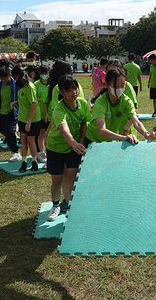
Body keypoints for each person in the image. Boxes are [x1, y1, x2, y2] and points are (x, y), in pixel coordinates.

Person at [45, 75, 91, 221]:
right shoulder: (59, 109)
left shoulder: (83, 104)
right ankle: (55, 205)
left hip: (74, 148)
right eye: (69, 90)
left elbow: (84, 123)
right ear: (61, 92)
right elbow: (64, 129)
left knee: (72, 175)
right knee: (57, 180)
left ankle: (71, 206)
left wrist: (81, 142)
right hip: (56, 147)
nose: (74, 92)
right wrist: (74, 143)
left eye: (75, 88)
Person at [85, 67, 156, 145]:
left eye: (122, 85)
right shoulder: (101, 102)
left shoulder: (126, 101)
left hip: (110, 141)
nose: (119, 88)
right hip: (93, 141)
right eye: (116, 85)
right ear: (107, 85)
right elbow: (101, 130)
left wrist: (147, 135)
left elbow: (136, 122)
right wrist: (124, 137)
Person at [11, 66, 40, 172]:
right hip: (22, 118)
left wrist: (29, 121)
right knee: (23, 140)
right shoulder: (21, 86)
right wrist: (16, 103)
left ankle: (34, 161)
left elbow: (34, 104)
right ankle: (23, 162)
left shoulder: (30, 87)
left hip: (32, 119)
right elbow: (24, 99)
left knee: (30, 140)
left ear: (16, 76)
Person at [0, 65, 20, 162]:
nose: (4, 80)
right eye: (2, 78)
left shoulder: (16, 85)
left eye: (5, 78)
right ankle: (11, 138)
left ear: (10, 75)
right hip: (2, 111)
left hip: (12, 112)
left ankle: (15, 152)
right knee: (3, 130)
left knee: (9, 130)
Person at [35, 65, 49, 163]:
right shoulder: (36, 84)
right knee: (40, 133)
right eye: (43, 74)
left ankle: (49, 154)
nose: (45, 75)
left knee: (48, 135)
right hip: (39, 113)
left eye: (46, 73)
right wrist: (43, 99)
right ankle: (40, 153)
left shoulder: (51, 84)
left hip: (49, 113)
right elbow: (34, 98)